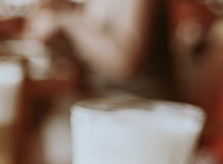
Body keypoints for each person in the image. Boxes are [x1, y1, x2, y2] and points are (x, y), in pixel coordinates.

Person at [22, 0, 177, 101]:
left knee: (56, 129)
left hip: (143, 103)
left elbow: (123, 65)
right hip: (107, 97)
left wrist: (65, 20)